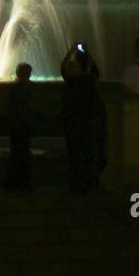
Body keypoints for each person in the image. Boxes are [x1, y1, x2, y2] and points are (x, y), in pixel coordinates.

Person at [60, 43, 102, 192]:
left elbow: (63, 68)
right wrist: (87, 54)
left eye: (75, 65)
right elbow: (94, 70)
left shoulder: (72, 81)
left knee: (77, 154)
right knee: (85, 153)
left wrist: (70, 52)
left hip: (75, 122)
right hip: (84, 122)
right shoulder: (88, 80)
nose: (73, 66)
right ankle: (87, 181)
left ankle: (78, 183)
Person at [5, 62, 33, 191]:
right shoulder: (30, 88)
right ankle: (24, 182)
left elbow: (10, 106)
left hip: (16, 125)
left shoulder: (13, 88)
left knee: (15, 152)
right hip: (25, 124)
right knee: (24, 153)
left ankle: (13, 182)